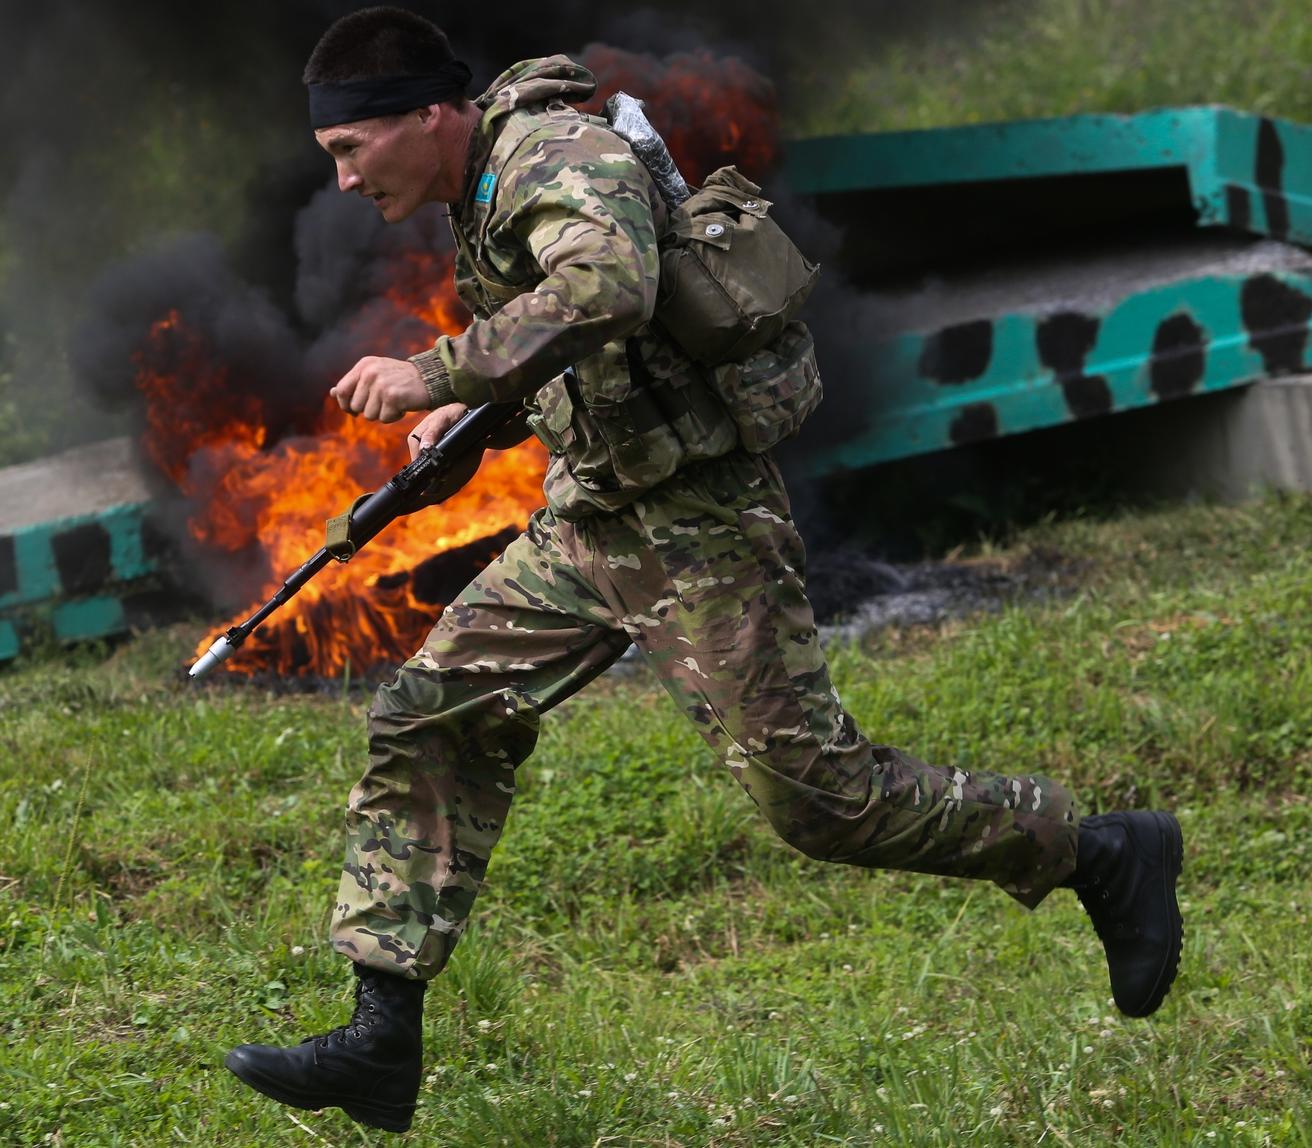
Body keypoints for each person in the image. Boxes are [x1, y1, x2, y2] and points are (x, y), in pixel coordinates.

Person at [224, 6, 1184, 1135]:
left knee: (822, 803)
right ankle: (380, 1035)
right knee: (429, 714)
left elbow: (608, 290)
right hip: (593, 520)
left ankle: (1098, 849)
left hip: (698, 523)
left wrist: (435, 371)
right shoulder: (481, 182)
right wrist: (481, 417)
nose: (341, 180)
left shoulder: (554, 153)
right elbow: (591, 351)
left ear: (428, 115)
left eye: (350, 149)